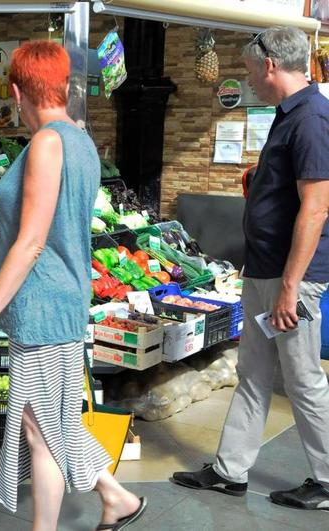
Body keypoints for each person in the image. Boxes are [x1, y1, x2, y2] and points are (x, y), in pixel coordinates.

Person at [0, 40, 146, 531]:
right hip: (62, 299)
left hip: (41, 305)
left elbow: (32, 241)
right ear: (62, 85)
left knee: (41, 432)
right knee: (52, 419)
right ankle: (116, 497)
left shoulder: (46, 143)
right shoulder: (80, 138)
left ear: (17, 92)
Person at [172, 26, 329, 511]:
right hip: (264, 271)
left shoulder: (312, 119)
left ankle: (326, 480)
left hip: (289, 279)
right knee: (253, 373)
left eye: (248, 69)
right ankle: (229, 471)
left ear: (269, 66)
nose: (248, 79)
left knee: (302, 378)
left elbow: (317, 207)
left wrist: (290, 286)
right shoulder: (287, 115)